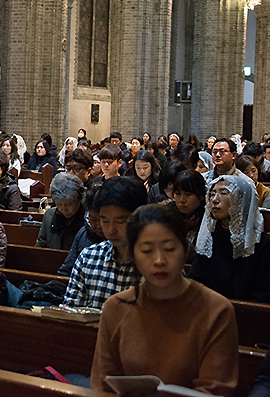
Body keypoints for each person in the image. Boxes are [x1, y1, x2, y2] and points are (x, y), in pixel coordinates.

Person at [91, 204, 239, 397]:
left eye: (169, 249)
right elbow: (103, 386)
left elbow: (215, 389)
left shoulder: (216, 309)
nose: (159, 260)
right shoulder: (116, 307)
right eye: (146, 250)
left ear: (184, 250)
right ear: (133, 256)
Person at [63, 177, 147, 310]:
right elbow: (71, 311)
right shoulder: (89, 257)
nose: (111, 230)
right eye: (105, 221)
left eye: (120, 221)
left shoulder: (156, 264)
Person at [189, 175, 270, 303]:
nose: (214, 200)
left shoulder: (263, 244)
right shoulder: (209, 240)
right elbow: (195, 282)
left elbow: (264, 294)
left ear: (242, 199)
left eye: (224, 193)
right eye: (212, 194)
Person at [58, 187, 105, 275]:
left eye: (103, 220)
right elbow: (67, 269)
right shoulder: (83, 233)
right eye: (93, 220)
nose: (98, 226)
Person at [36, 173, 86, 250]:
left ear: (79, 200)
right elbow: (41, 245)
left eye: (68, 204)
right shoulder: (49, 215)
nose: (64, 209)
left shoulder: (88, 218)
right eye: (59, 204)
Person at [172, 170, 206, 261]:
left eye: (188, 194)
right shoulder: (168, 216)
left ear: (201, 195)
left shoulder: (208, 221)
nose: (182, 200)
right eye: (178, 194)